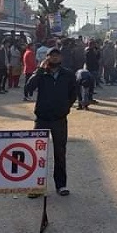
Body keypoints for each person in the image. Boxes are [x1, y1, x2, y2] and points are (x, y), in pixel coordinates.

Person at [24, 47, 77, 196]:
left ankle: (61, 185)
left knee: (60, 153)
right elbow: (28, 88)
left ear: (61, 58)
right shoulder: (41, 74)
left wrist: (65, 107)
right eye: (51, 56)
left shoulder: (68, 75)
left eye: (57, 56)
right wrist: (40, 70)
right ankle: (35, 187)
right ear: (46, 58)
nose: (54, 58)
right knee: (36, 153)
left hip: (59, 119)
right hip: (42, 119)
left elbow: (73, 93)